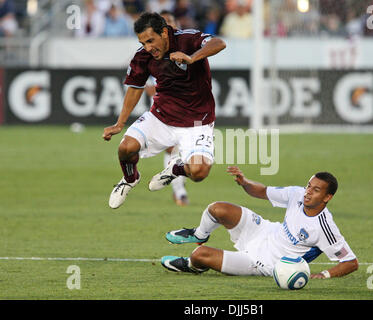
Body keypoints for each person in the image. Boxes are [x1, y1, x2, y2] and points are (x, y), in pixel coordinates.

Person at [103, 12, 226, 209]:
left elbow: (219, 43)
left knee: (199, 172)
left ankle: (176, 168)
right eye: (143, 43)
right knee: (126, 148)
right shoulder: (143, 56)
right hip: (161, 117)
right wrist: (120, 123)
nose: (148, 48)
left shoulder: (187, 39)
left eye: (151, 41)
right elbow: (135, 87)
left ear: (164, 33)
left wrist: (192, 58)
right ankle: (130, 178)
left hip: (198, 121)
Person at [161, 166, 358, 279]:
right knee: (217, 208)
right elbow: (263, 191)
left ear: (327, 197)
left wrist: (324, 275)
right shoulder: (296, 194)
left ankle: (193, 266)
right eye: (309, 186)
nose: (308, 192)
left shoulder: (325, 227)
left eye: (316, 190)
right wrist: (246, 183)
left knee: (199, 255)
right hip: (263, 231)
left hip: (265, 264)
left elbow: (350, 262)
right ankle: (199, 234)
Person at [144, 10, 189, 206]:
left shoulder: (185, 48)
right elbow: (145, 86)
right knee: (172, 148)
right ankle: (179, 193)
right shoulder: (149, 53)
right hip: (164, 109)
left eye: (171, 22)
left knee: (185, 151)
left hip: (187, 106)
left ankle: (178, 187)